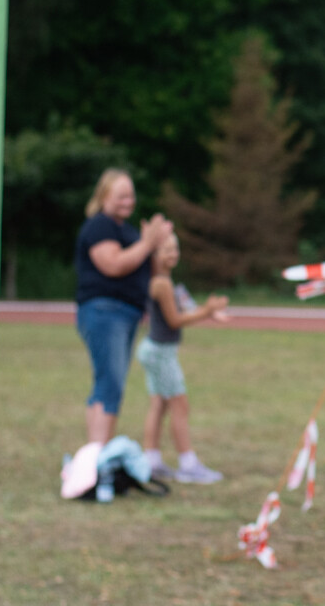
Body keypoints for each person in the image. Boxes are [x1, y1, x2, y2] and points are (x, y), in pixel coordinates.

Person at [74, 168, 173, 447]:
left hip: (126, 314)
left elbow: (154, 273)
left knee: (109, 383)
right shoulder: (99, 226)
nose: (128, 202)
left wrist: (159, 246)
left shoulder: (126, 231)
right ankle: (98, 455)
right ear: (104, 196)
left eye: (130, 196)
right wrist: (147, 243)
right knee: (110, 384)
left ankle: (98, 451)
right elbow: (113, 264)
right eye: (121, 196)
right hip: (105, 311)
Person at [136, 231, 230, 483]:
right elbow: (175, 320)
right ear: (153, 254)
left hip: (155, 350)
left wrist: (209, 313)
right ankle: (188, 465)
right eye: (166, 249)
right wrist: (206, 312)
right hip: (161, 353)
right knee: (179, 405)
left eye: (175, 248)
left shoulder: (165, 280)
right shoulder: (161, 283)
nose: (173, 254)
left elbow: (186, 308)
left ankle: (152, 461)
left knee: (159, 404)